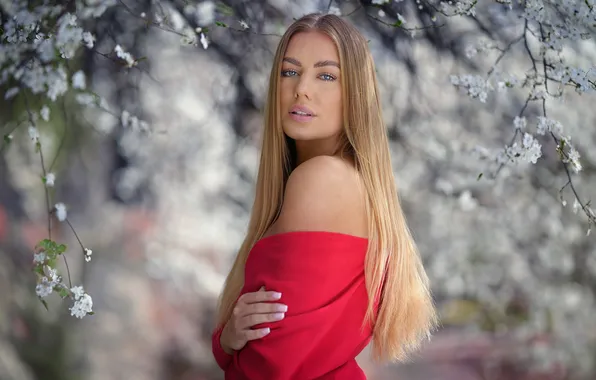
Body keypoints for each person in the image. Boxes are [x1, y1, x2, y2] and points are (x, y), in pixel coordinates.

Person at [211, 12, 438, 379]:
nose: (301, 88)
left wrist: (225, 349)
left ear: (356, 95)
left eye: (326, 75)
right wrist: (228, 340)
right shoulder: (335, 180)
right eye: (289, 71)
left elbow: (273, 364)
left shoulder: (321, 179)